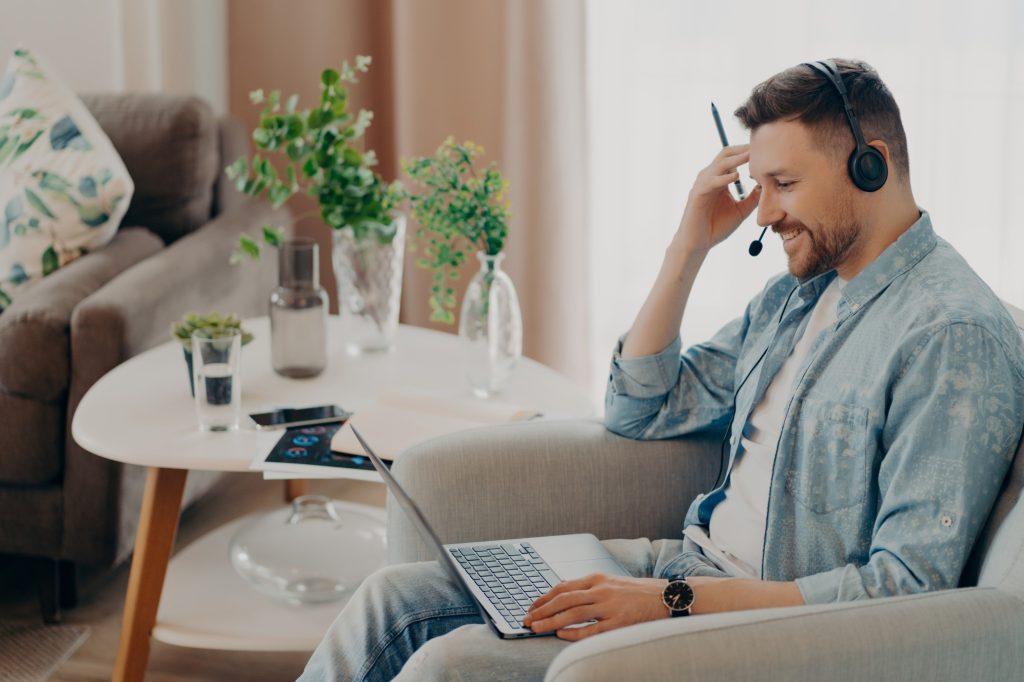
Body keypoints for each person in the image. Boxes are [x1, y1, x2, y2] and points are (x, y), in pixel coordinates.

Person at [299, 58, 1024, 682]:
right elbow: (640, 408)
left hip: (744, 629)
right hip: (675, 571)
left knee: (444, 667)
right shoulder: (800, 294)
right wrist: (688, 246)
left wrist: (670, 605)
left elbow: (905, 587)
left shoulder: (950, 334)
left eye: (784, 183)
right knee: (389, 600)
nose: (764, 213)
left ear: (871, 163)